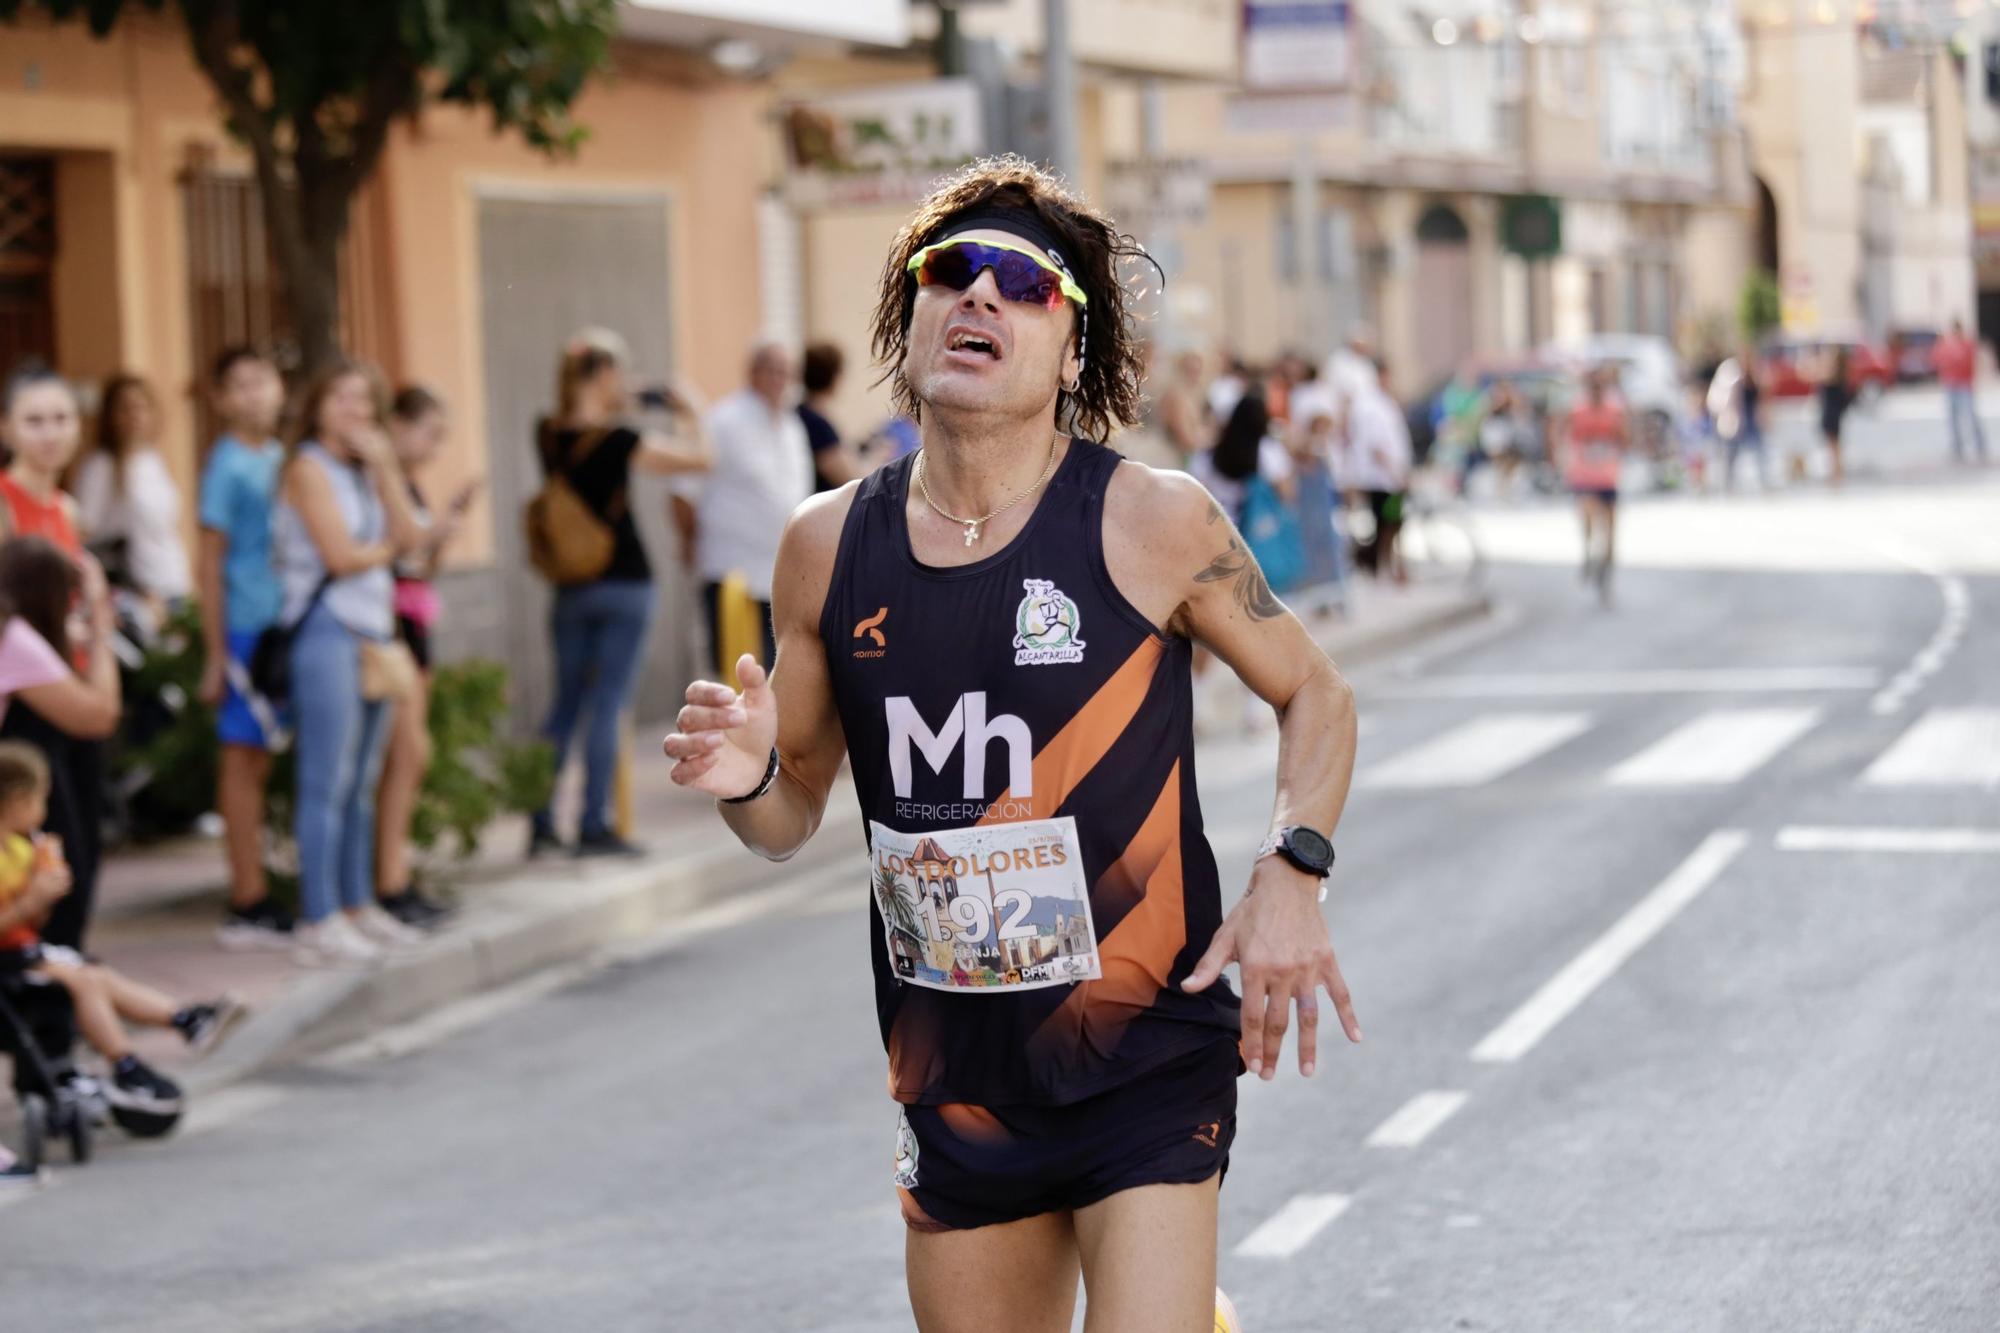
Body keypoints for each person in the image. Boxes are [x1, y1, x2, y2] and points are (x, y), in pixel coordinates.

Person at [662, 157, 1362, 1333]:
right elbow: (788, 817)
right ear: (913, 313)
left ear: (1072, 349)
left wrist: (1290, 870)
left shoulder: (1151, 521)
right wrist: (743, 780)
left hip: (1144, 1049)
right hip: (955, 1073)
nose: (978, 295)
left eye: (1022, 283)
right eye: (951, 272)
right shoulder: (825, 546)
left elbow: (1319, 694)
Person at [531, 330, 711, 860]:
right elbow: (700, 460)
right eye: (619, 373)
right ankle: (593, 825)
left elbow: (575, 423)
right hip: (625, 585)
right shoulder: (622, 440)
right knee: (607, 705)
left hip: (569, 588)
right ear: (605, 375)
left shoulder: (546, 433)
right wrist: (691, 410)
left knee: (565, 705)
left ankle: (541, 820)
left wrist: (611, 395)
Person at [273, 360, 430, 965]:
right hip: (326, 630)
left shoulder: (365, 470)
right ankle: (318, 915)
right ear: (317, 406)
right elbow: (339, 557)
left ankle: (358, 905)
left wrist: (388, 468)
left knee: (362, 782)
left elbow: (412, 538)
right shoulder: (308, 467)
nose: (354, 412)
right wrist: (388, 547)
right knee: (325, 780)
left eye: (365, 401)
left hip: (371, 630)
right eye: (341, 398)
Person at [0, 741, 245, 1116]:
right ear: (16, 802)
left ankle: (184, 1019)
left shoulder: (21, 850)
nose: (43, 812)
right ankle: (126, 1062)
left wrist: (45, 895)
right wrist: (31, 900)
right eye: (39, 801)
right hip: (8, 963)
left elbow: (33, 924)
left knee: (94, 973)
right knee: (83, 980)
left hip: (24, 952)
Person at [0, 365, 112, 952]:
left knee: (86, 844)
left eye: (61, 418)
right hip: (27, 703)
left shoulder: (66, 510)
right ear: (8, 428)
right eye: (34, 420)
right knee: (50, 847)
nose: (50, 433)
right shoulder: (3, 505)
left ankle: (72, 979)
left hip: (73, 685)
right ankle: (48, 1000)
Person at [196, 347, 297, 950]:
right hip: (243, 630)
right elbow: (208, 563)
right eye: (239, 385)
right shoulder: (225, 465)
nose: (254, 394)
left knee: (262, 758)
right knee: (241, 759)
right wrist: (214, 652)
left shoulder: (282, 458)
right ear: (220, 399)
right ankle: (246, 897)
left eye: (262, 381)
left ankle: (260, 885)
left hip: (283, 626)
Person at [375, 385, 475, 928]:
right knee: (405, 752)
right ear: (398, 424)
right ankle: (388, 881)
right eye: (430, 434)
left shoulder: (407, 483)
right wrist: (432, 531)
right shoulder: (382, 481)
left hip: (415, 621)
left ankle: (398, 873)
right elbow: (395, 551)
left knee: (413, 756)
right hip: (391, 623)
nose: (434, 448)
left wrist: (441, 537)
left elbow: (421, 565)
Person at [673, 340, 813, 684]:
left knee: (774, 678)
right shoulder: (723, 420)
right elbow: (683, 493)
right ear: (752, 373)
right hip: (732, 572)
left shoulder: (793, 426)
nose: (782, 380)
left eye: (788, 373)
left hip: (779, 577)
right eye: (774, 371)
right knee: (735, 678)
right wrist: (690, 542)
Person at [72, 373, 194, 613]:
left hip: (173, 581)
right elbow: (86, 534)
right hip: (138, 594)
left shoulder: (152, 460)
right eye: (125, 408)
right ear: (110, 416)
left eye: (141, 406)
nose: (135, 416)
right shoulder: (102, 467)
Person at [1560, 366, 1630, 606]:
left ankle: (1606, 574)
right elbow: (1564, 432)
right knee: (1589, 520)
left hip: (1608, 475)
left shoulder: (1615, 409)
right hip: (1585, 475)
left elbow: (1625, 437)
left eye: (1600, 387)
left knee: (1611, 530)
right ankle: (1589, 554)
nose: (1596, 391)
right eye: (1593, 387)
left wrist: (1617, 442)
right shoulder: (1577, 409)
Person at [1345, 357, 1413, 583]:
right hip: (1380, 478)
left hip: (1391, 476)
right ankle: (1380, 566)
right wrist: (1395, 472)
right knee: (1386, 523)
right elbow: (1375, 445)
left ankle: (1389, 566)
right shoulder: (1368, 405)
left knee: (1393, 522)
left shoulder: (1386, 403)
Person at [800, 341, 864, 492]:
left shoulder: (801, 413)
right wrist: (878, 457)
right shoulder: (816, 423)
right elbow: (851, 478)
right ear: (833, 377)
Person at [1933, 318, 1987, 464]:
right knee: (1952, 418)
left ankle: (1980, 444)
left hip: (1964, 385)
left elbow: (1968, 361)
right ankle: (1957, 446)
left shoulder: (1967, 344)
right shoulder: (1947, 345)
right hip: (1951, 385)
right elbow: (1937, 359)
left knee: (1971, 416)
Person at [1721, 348, 1769, 491]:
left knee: (1759, 451)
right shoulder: (1736, 378)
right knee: (1732, 453)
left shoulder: (1756, 378)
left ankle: (1763, 480)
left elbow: (1762, 398)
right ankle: (1729, 483)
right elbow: (1732, 401)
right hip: (1739, 419)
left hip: (1752, 419)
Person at [1818, 347, 1854, 488]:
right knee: (1835, 446)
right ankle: (1837, 474)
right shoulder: (1841, 374)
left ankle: (1837, 476)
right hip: (1835, 414)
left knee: (1834, 447)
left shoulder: (1833, 375)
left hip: (1831, 414)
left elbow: (1813, 374)